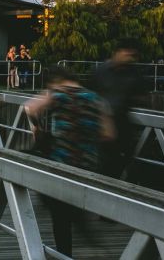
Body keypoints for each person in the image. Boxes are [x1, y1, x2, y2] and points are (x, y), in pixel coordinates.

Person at [26, 66, 115, 257]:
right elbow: (108, 134)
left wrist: (38, 127)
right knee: (75, 206)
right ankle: (87, 233)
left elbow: (30, 107)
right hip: (88, 162)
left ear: (55, 80)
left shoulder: (58, 94)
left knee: (60, 216)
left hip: (61, 161)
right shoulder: (96, 99)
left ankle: (65, 253)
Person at [90, 39, 148, 178]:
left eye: (133, 56)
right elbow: (91, 95)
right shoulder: (101, 71)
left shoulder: (134, 73)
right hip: (101, 127)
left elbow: (143, 97)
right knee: (102, 165)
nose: (130, 58)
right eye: (127, 54)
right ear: (117, 53)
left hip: (123, 128)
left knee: (119, 164)